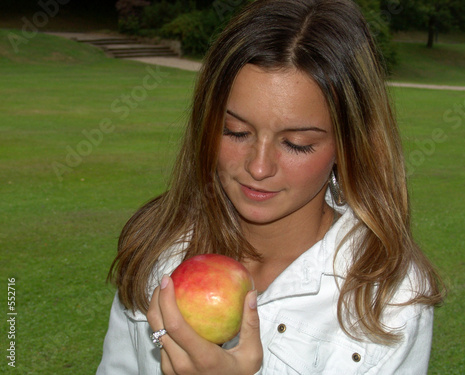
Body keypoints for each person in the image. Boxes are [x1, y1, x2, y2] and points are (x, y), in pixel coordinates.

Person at [96, 0, 445, 374]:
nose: (258, 167)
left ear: (349, 146)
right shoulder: (160, 248)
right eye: (236, 132)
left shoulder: (389, 297)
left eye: (296, 142)